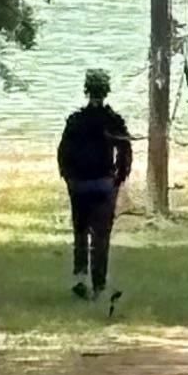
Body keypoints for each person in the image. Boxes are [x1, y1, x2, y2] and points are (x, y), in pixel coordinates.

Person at [57, 69, 135, 299]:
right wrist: (118, 178)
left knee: (80, 233)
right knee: (101, 237)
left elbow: (63, 153)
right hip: (103, 184)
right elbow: (125, 152)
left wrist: (69, 177)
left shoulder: (75, 120)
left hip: (79, 184)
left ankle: (80, 280)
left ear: (86, 91)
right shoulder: (113, 120)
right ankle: (99, 284)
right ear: (106, 92)